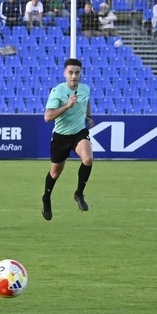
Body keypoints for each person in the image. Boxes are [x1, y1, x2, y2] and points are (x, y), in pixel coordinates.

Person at [42, 57, 95, 221]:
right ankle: (46, 198)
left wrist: (88, 116)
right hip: (61, 136)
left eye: (77, 73)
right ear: (65, 73)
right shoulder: (57, 92)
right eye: (71, 72)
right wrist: (67, 106)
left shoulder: (85, 89)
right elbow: (47, 117)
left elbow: (86, 102)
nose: (74, 76)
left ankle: (79, 193)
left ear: (81, 74)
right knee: (55, 172)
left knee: (88, 158)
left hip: (79, 132)